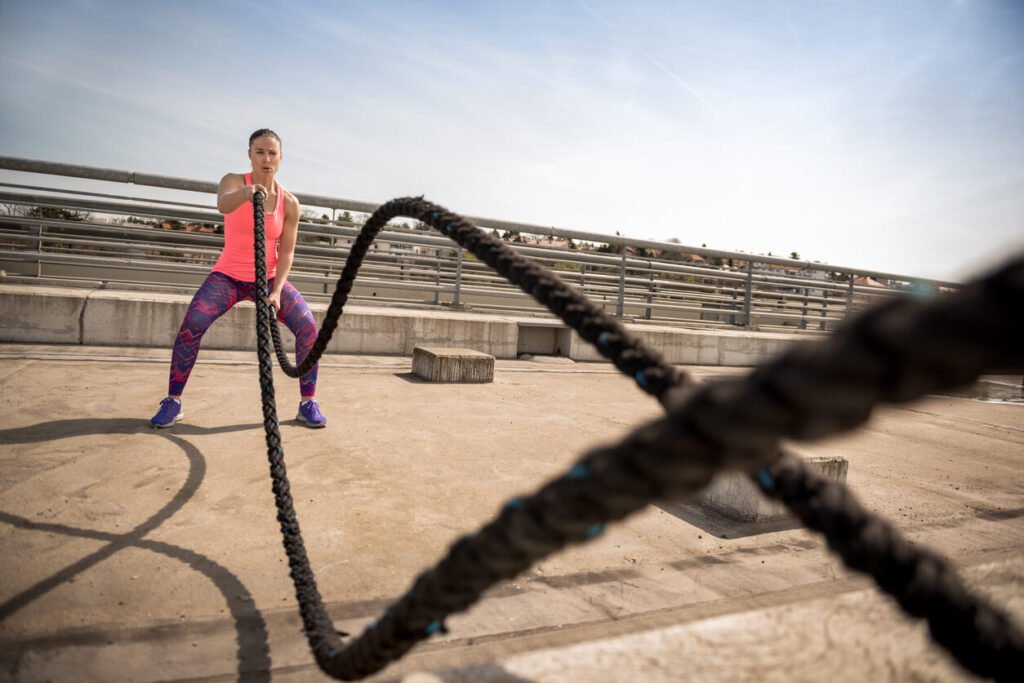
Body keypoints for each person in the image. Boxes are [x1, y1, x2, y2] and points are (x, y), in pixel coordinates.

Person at [150, 128, 327, 428]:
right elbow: (223, 204)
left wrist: (277, 291)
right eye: (259, 151)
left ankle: (308, 403)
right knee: (192, 324)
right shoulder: (233, 182)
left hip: (269, 280)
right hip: (229, 276)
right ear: (249, 154)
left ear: (281, 158)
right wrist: (248, 194)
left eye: (272, 153)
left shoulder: (290, 203)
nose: (266, 159)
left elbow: (286, 254)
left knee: (309, 327)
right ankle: (173, 401)